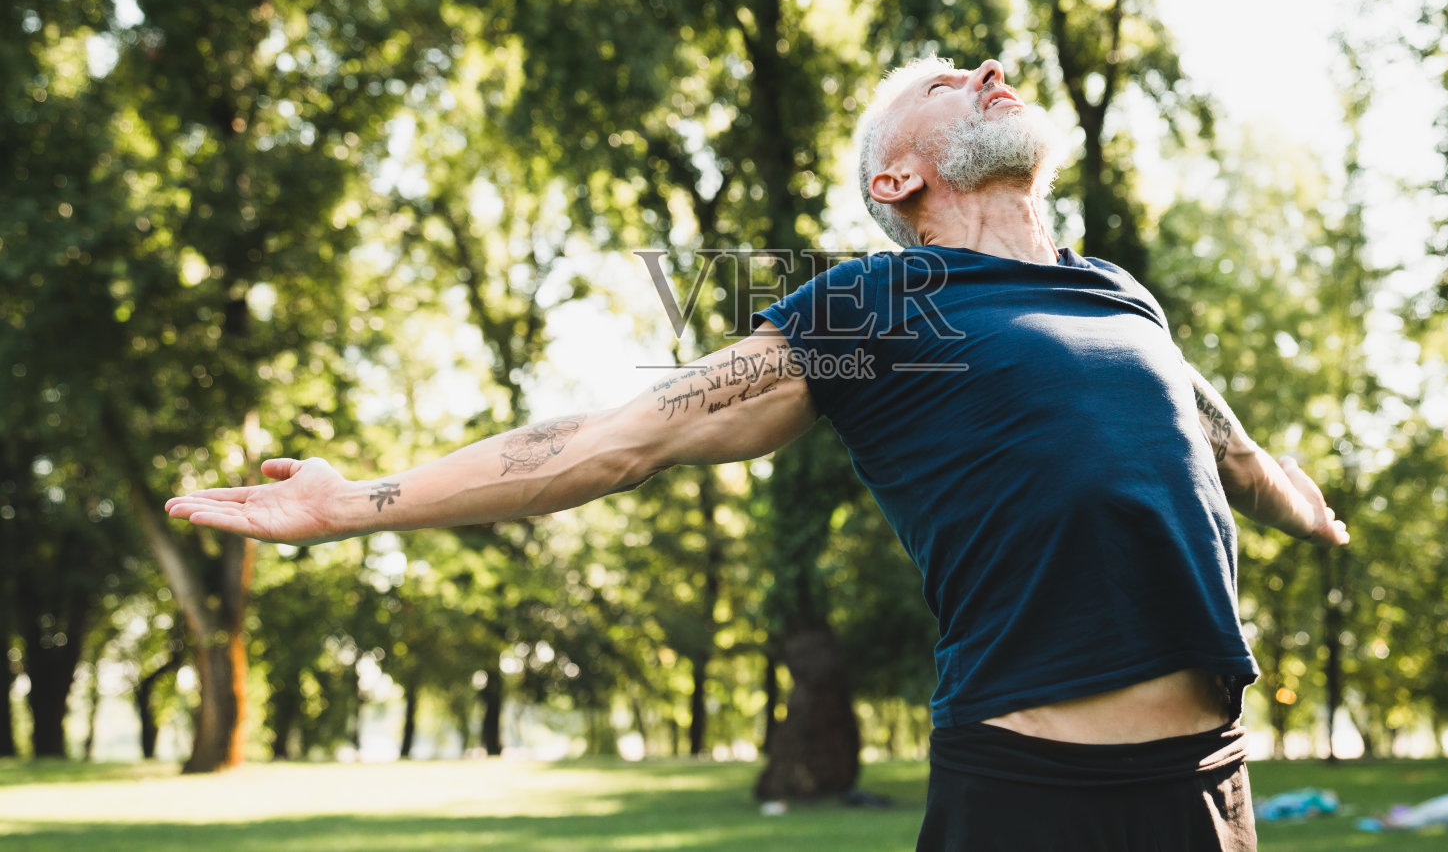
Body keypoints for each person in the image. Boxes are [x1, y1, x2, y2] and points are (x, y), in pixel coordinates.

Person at [168, 56, 1348, 851]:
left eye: (986, 67)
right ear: (901, 177)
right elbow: (615, 438)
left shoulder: (1118, 293)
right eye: (951, 82)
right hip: (1037, 794)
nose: (992, 70)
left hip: (1211, 781)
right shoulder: (882, 308)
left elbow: (1210, 421)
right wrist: (354, 500)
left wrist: (1283, 490)